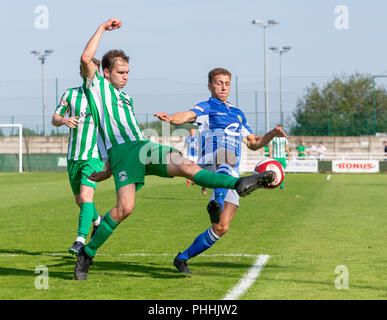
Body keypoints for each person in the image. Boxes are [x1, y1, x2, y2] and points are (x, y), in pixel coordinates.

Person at [74, 18, 278, 280]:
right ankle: (87, 253)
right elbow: (85, 57)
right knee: (125, 209)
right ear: (105, 72)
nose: (126, 76)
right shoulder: (96, 86)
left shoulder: (125, 97)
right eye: (120, 72)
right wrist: (102, 28)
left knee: (186, 165)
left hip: (142, 147)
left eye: (127, 72)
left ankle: (237, 184)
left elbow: (117, 131)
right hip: (123, 155)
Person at [155, 67, 289, 274]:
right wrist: (171, 119)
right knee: (226, 155)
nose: (223, 87)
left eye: (226, 83)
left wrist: (272, 133)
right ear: (210, 86)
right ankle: (216, 201)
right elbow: (187, 115)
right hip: (211, 162)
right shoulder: (208, 107)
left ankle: (182, 258)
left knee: (221, 227)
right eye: (219, 83)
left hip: (232, 175)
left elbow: (253, 143)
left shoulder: (238, 114)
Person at [51, 58, 107, 256]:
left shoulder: (103, 96)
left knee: (85, 197)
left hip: (93, 156)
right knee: (81, 202)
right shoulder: (70, 93)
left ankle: (80, 240)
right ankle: (99, 222)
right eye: (88, 69)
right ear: (82, 72)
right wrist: (64, 120)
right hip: (72, 157)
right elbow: (55, 118)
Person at [269, 125, 290, 189]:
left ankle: (282, 185)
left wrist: (289, 154)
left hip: (282, 157)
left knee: (283, 171)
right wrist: (270, 155)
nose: (279, 130)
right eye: (278, 129)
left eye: (280, 129)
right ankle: (272, 184)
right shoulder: (273, 138)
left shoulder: (284, 138)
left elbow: (286, 146)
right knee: (274, 171)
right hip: (275, 157)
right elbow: (270, 146)